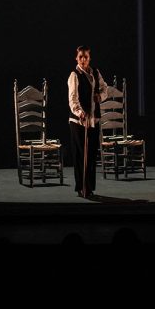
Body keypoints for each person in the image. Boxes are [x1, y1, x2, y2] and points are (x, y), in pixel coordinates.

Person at [67, 45, 108, 199]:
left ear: (89, 58)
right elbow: (73, 99)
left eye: (86, 57)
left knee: (91, 154)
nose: (83, 60)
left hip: (93, 120)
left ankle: (89, 187)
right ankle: (81, 187)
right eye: (80, 57)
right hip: (78, 121)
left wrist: (100, 97)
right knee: (80, 154)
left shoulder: (95, 73)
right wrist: (79, 112)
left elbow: (105, 89)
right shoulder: (74, 75)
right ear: (76, 58)